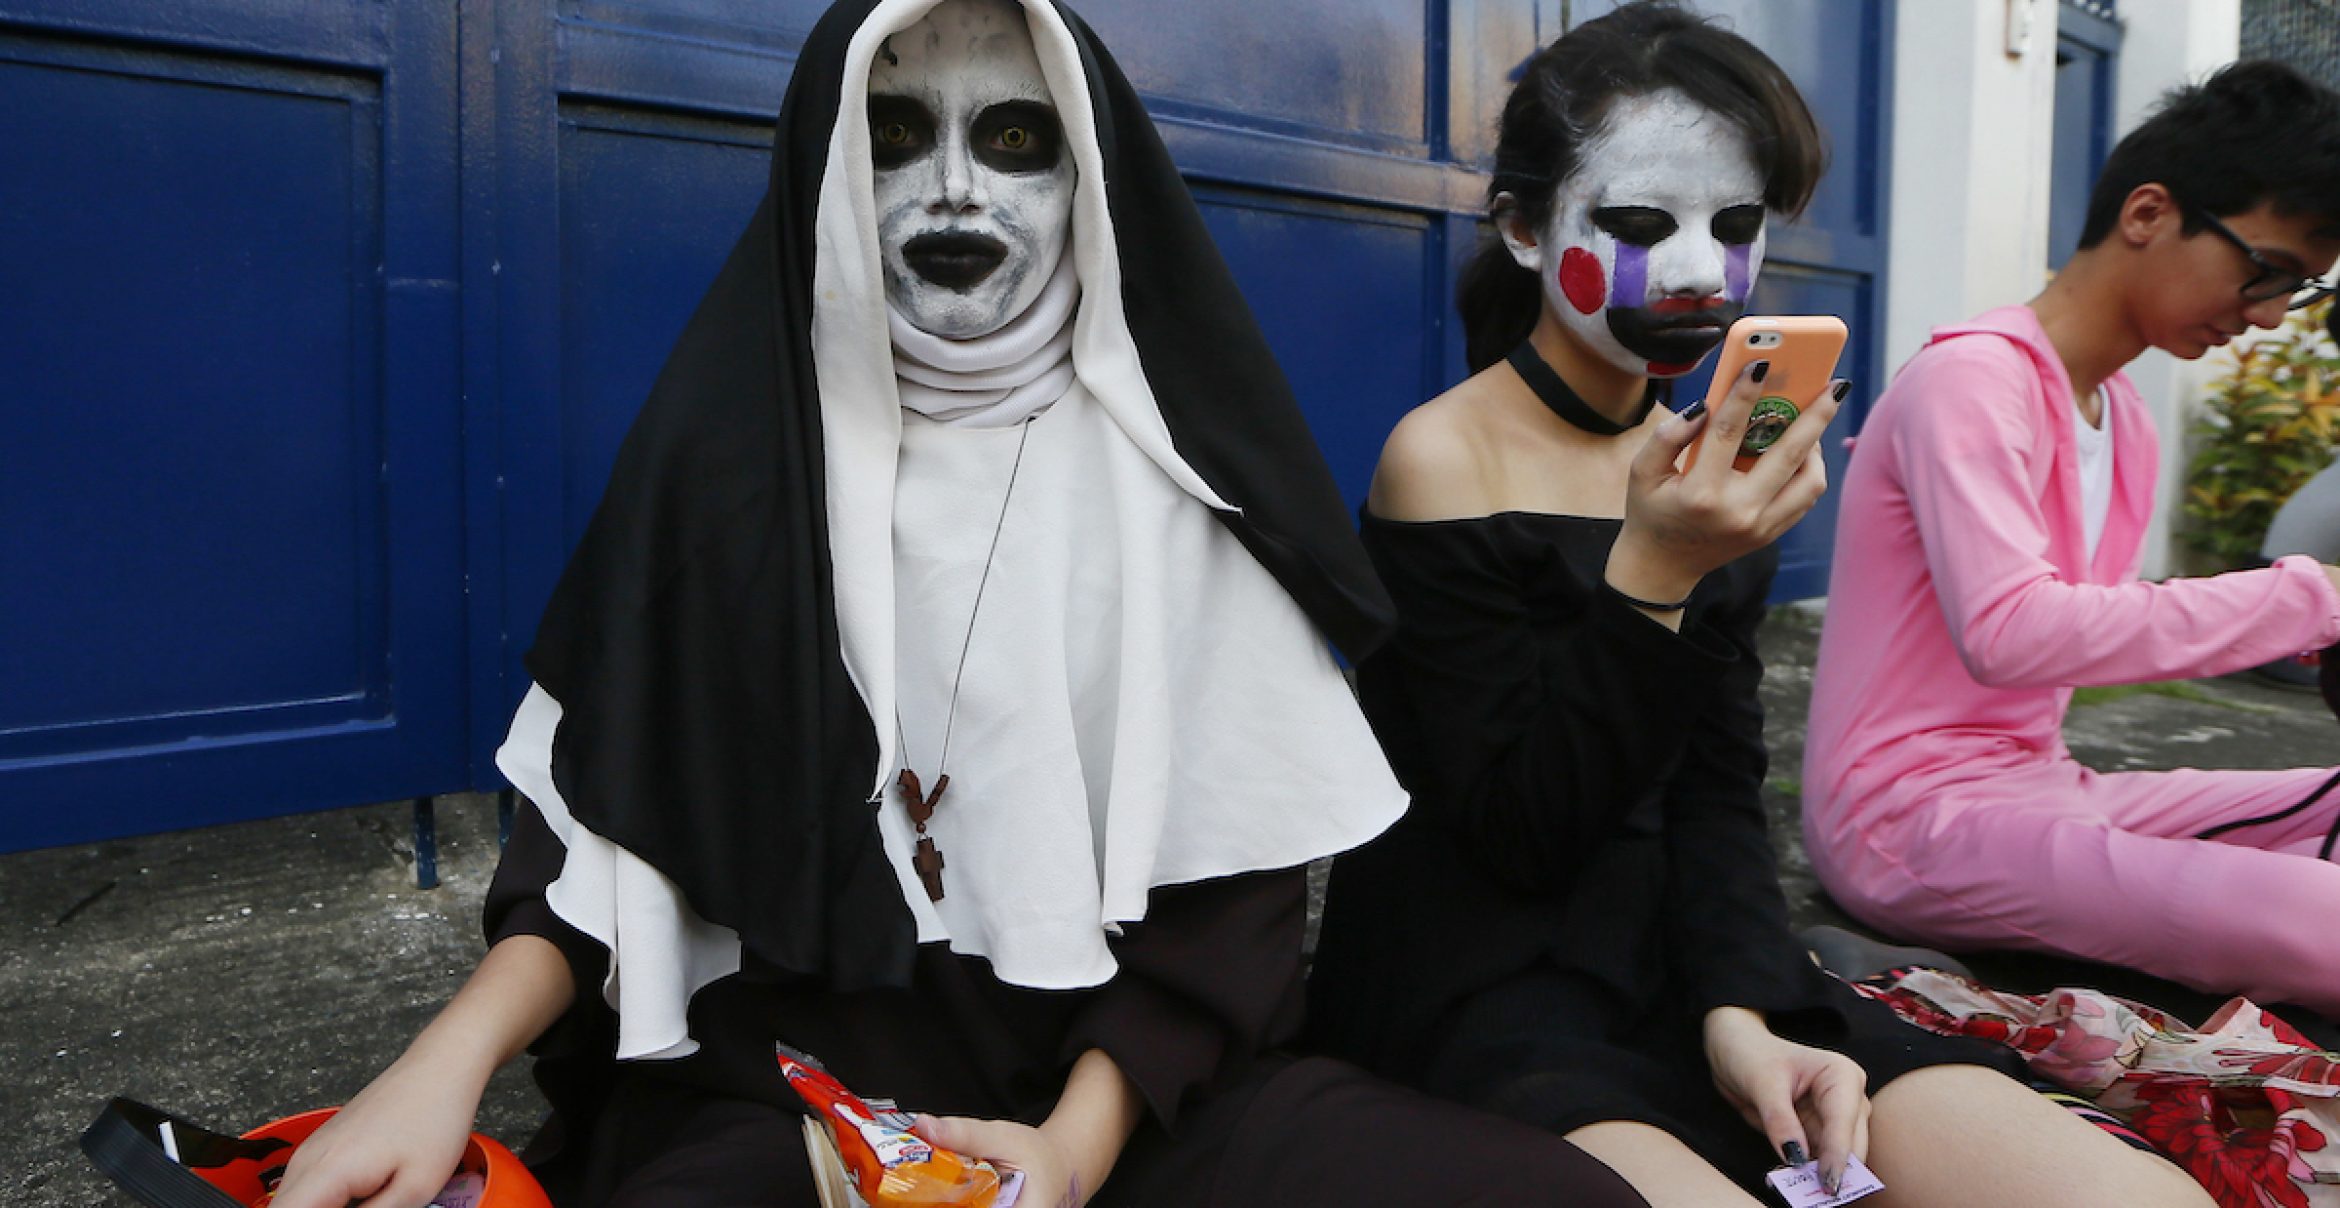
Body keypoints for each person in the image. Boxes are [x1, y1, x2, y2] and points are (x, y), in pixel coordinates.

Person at [267, 1, 1652, 1205]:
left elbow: (1225, 929)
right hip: (785, 1123)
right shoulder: (721, 467)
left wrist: (1067, 1153)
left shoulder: (1175, 494)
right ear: (825, 173)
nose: (950, 196)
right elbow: (595, 859)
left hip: (1114, 1126)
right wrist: (432, 1073)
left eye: (1012, 141)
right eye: (892, 137)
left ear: (1088, 180)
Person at [1305, 5, 2215, 1206]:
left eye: (1732, 227)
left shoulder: (1713, 450)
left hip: (1694, 947)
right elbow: (1517, 832)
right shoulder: (1441, 459)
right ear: (1525, 229)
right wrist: (1659, 570)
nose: (1696, 270)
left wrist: (1744, 1004)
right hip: (1487, 981)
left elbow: (1720, 783)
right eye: (1637, 224)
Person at [1800, 60, 2340, 1018]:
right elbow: (2013, 633)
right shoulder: (1970, 380)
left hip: (2045, 788)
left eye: (2292, 292)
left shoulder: (2121, 417)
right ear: (2147, 214)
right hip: (1909, 822)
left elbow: (2088, 632)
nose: (2262, 316)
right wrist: (2312, 597)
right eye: (2265, 271)